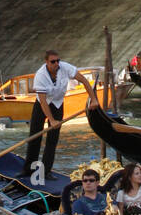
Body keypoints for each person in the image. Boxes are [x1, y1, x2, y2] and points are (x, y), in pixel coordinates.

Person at [20, 51, 99, 182]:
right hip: (42, 105)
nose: (56, 63)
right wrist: (51, 120)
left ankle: (46, 172)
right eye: (53, 61)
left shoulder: (65, 67)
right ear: (46, 62)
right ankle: (28, 169)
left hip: (57, 104)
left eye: (58, 60)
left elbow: (84, 80)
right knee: (35, 136)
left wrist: (94, 99)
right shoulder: (40, 75)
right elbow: (43, 101)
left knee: (52, 140)